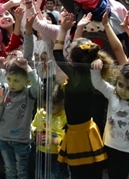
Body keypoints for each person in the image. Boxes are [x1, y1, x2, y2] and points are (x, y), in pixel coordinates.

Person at [52, 13, 112, 179]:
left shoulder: (80, 76)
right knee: (89, 173)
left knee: (82, 173)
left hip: (82, 134)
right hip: (82, 130)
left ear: (72, 59)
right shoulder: (83, 75)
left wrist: (64, 30)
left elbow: (57, 55)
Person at [90, 59, 129, 179]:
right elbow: (98, 83)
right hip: (110, 144)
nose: (123, 91)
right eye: (120, 85)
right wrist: (96, 68)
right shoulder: (113, 94)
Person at [0, 56, 41, 179]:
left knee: (22, 171)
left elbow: (38, 86)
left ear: (26, 81)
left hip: (21, 141)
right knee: (9, 170)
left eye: (16, 81)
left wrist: (27, 67)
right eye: (9, 79)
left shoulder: (29, 93)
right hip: (4, 139)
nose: (11, 84)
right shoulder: (4, 89)